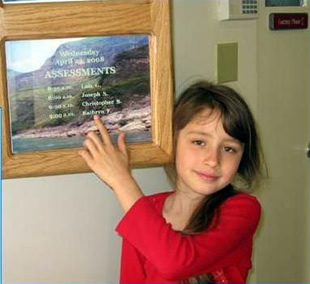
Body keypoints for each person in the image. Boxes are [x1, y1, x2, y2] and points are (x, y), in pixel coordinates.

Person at [79, 80, 265, 283]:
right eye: (199, 142)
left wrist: (121, 180)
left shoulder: (243, 209)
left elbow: (175, 263)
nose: (213, 160)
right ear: (173, 142)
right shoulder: (146, 210)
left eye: (229, 148)